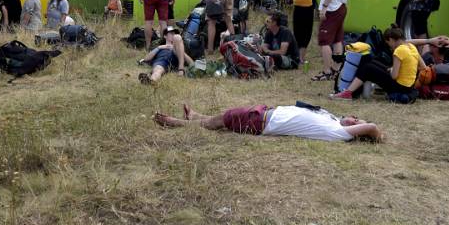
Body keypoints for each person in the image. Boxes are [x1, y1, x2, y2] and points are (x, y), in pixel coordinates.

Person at [153, 103, 383, 143]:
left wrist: (379, 137)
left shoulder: (336, 132)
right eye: (355, 117)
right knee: (225, 117)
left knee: (222, 121)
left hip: (262, 121)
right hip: (265, 113)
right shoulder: (331, 118)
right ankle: (195, 117)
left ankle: (175, 123)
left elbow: (372, 128)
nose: (353, 119)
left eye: (356, 122)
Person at [330, 27, 425, 103]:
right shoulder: (412, 47)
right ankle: (350, 91)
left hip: (399, 87)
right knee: (371, 61)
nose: (389, 46)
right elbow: (423, 67)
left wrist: (393, 70)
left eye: (388, 43)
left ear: (391, 39)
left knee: (368, 68)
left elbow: (394, 76)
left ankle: (348, 93)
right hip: (408, 87)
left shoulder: (399, 50)